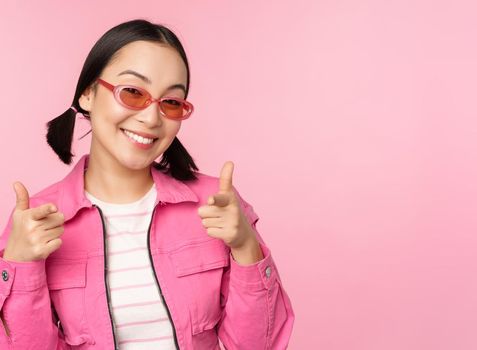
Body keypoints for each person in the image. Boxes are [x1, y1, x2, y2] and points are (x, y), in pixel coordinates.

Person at [0, 19, 294, 349]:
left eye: (170, 102)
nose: (152, 119)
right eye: (133, 93)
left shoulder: (216, 204)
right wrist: (21, 266)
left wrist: (245, 247)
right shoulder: (36, 220)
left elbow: (259, 346)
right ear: (87, 94)